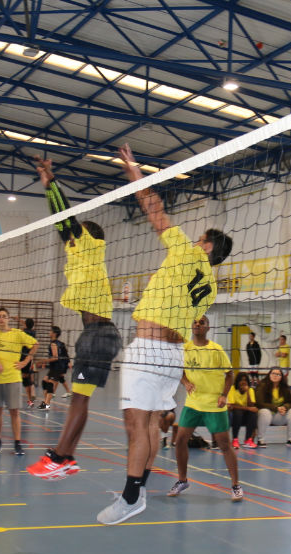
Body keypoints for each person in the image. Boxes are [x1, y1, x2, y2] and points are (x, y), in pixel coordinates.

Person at [96, 143, 232, 526]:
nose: (194, 240)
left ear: (205, 246)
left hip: (149, 349)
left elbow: (152, 207)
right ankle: (140, 486)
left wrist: (134, 170)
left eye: (199, 238)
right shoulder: (212, 286)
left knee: (135, 424)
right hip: (174, 356)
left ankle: (131, 495)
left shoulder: (188, 254)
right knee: (154, 422)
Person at [26, 158, 122, 480]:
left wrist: (51, 181)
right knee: (81, 400)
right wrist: (46, 187)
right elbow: (59, 221)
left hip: (98, 335)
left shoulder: (91, 247)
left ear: (85, 238)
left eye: (72, 237)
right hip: (98, 334)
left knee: (78, 401)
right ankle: (67, 459)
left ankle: (58, 456)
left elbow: (67, 218)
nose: (66, 240)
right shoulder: (79, 258)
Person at [166, 316, 244, 502]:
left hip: (214, 405)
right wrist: (185, 383)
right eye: (195, 322)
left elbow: (229, 375)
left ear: (208, 327)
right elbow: (179, 371)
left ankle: (236, 485)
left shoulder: (216, 350)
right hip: (193, 404)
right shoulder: (185, 348)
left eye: (201, 322)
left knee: (225, 445)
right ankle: (182, 480)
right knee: (180, 440)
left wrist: (224, 395)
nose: (197, 324)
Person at [0, 307, 37, 456]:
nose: (1, 319)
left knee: (14, 412)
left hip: (13, 378)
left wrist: (26, 361)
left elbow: (35, 345)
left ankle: (17, 443)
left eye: (4, 316)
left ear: (9, 319)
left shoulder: (17, 334)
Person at [255, 367, 291, 447]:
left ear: (281, 377)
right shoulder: (262, 386)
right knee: (264, 412)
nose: (275, 376)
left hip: (279, 415)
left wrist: (285, 407)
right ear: (269, 375)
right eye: (273, 373)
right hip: (266, 415)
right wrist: (276, 408)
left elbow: (290, 402)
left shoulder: (284, 388)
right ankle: (260, 439)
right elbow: (260, 403)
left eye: (278, 374)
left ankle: (290, 439)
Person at [38, 325, 71, 410]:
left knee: (49, 384)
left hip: (57, 367)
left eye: (50, 331)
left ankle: (47, 404)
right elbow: (65, 354)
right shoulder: (59, 343)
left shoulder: (53, 344)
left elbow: (55, 357)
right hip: (56, 367)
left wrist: (44, 361)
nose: (49, 332)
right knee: (44, 382)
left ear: (54, 333)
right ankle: (45, 402)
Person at [227, 372, 257, 449]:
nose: (243, 382)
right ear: (237, 381)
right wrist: (248, 408)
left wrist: (247, 392)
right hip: (235, 415)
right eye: (241, 380)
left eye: (245, 380)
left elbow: (251, 405)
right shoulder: (232, 389)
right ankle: (235, 439)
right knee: (238, 412)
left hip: (246, 416)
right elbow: (232, 406)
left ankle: (248, 440)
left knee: (253, 413)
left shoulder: (250, 390)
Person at [21, 318, 38, 407]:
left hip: (21, 356)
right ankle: (31, 397)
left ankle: (31, 396)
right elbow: (27, 325)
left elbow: (23, 328)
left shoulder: (22, 332)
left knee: (23, 378)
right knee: (28, 377)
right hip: (30, 356)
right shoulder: (33, 332)